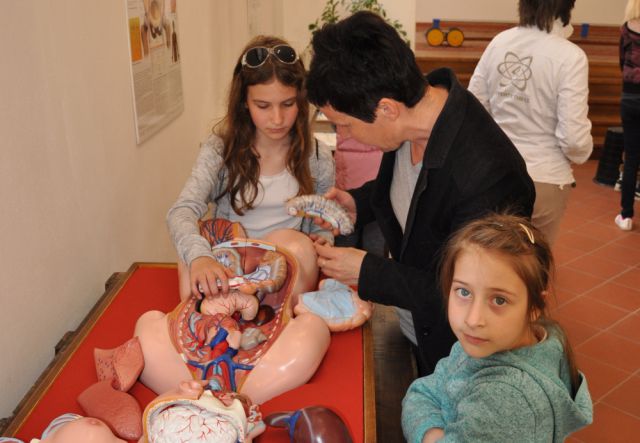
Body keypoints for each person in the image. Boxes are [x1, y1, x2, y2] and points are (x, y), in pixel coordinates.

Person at [306, 10, 536, 376]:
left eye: (344, 125)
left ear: (386, 109)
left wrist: (367, 271)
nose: (344, 135)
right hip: (416, 327)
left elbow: (467, 295)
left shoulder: (490, 177)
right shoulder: (409, 123)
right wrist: (358, 203)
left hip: (457, 356)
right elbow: (413, 195)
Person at [167, 35, 335, 299]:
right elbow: (182, 210)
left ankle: (266, 314)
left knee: (295, 244)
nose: (277, 119)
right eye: (263, 106)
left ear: (301, 101)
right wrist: (200, 257)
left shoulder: (317, 157)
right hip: (229, 267)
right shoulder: (220, 149)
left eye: (288, 104)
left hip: (283, 275)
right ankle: (222, 310)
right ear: (244, 102)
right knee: (191, 248)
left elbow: (321, 226)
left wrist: (323, 238)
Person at [401, 214, 593, 442]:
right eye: (464, 292)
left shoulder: (503, 399)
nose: (473, 319)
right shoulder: (513, 339)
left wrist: (429, 435)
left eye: (499, 300)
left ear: (534, 306)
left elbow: (421, 396)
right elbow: (423, 391)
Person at [468, 0, 593, 245]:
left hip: (496, 172)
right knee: (533, 261)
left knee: (493, 256)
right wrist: (580, 155)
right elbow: (574, 139)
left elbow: (473, 107)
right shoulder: (570, 56)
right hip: (544, 176)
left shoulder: (500, 42)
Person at [615, 0, 640, 231]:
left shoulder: (626, 29)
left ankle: (626, 216)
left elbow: (622, 62)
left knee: (631, 157)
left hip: (630, 97)